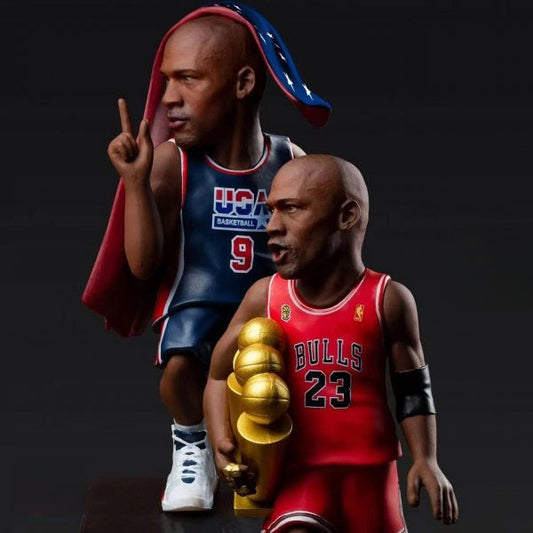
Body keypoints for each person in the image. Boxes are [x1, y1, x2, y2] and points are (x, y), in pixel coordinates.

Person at [82, 2, 332, 513]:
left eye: (188, 79)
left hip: (268, 306)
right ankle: (191, 444)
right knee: (178, 370)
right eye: (166, 81)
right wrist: (135, 185)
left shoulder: (290, 161)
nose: (168, 99)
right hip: (199, 301)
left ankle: (290, 458)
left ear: (243, 84)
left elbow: (315, 254)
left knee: (291, 378)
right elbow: (143, 267)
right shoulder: (171, 164)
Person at [204, 154, 459, 532]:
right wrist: (221, 440)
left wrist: (426, 458)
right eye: (271, 210)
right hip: (300, 473)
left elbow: (412, 390)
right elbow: (218, 375)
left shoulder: (386, 299)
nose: (272, 226)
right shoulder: (265, 298)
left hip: (370, 472)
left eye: (291, 209)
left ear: (346, 216)